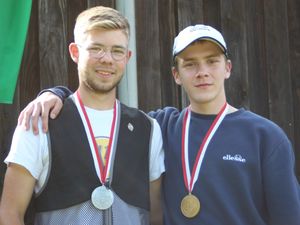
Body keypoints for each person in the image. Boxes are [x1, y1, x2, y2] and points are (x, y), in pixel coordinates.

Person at [14, 24, 300, 224]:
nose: (202, 72)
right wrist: (55, 94)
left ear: (227, 68)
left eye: (212, 62)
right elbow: (105, 114)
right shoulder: (159, 127)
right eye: (190, 64)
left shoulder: (265, 137)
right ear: (176, 75)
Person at [0, 6, 165, 225]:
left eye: (117, 51)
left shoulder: (149, 129)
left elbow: (156, 216)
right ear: (75, 52)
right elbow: (10, 213)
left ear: (127, 56)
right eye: (96, 48)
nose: (107, 59)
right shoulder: (40, 121)